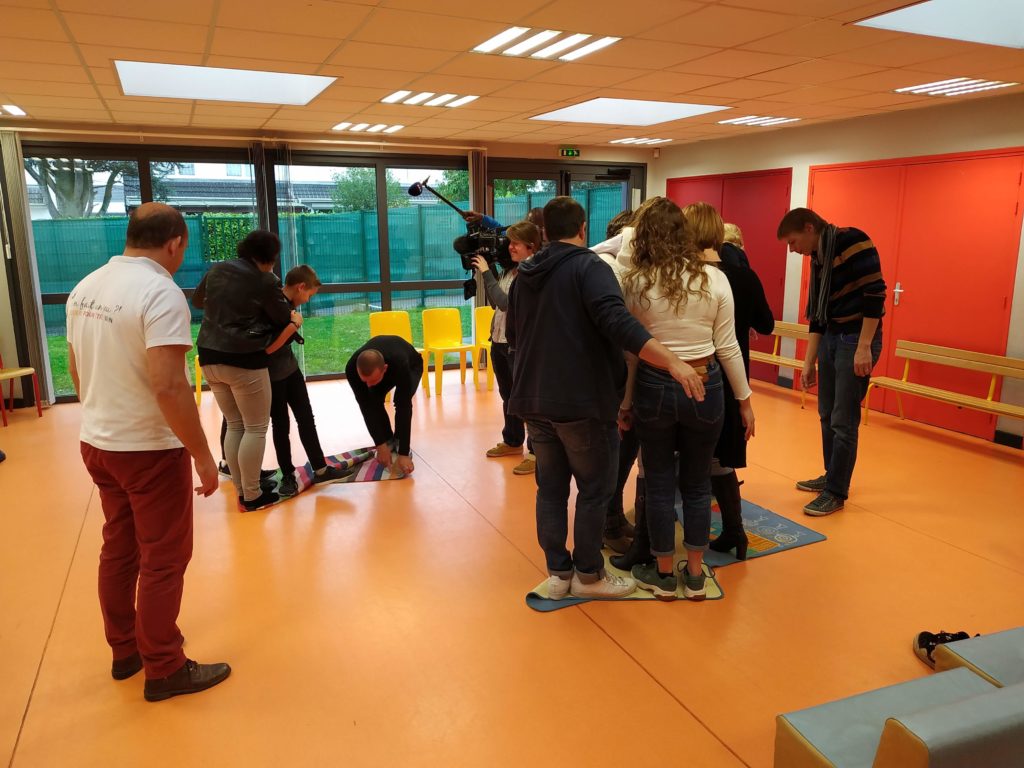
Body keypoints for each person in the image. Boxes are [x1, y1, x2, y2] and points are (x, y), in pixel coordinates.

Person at [66, 202, 230, 702]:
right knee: (163, 558)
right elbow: (169, 386)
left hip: (98, 442)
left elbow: (75, 369)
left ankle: (126, 652)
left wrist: (103, 417)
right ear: (175, 243)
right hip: (148, 451)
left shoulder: (86, 286)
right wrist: (202, 455)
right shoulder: (160, 292)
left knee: (119, 548)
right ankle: (165, 666)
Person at [507, 196, 708, 601]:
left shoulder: (525, 273)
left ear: (544, 232)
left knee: (550, 491)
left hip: (533, 400)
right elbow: (618, 323)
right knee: (595, 490)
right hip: (581, 402)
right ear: (583, 228)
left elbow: (514, 334)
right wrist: (673, 361)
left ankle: (558, 575)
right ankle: (588, 574)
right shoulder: (590, 268)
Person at [619, 197, 755, 601]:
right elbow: (727, 346)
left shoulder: (636, 282)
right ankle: (695, 575)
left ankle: (663, 574)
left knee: (659, 483)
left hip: (653, 385)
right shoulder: (715, 279)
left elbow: (633, 352)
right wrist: (745, 401)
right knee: (697, 484)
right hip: (705, 383)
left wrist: (625, 403)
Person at [777, 207, 886, 516]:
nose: (792, 250)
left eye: (793, 241)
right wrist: (808, 361)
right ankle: (831, 475)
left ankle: (836, 492)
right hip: (832, 337)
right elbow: (818, 315)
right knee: (826, 413)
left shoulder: (852, 241)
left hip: (855, 339)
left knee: (843, 419)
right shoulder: (819, 257)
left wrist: (864, 347)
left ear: (809, 228)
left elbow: (875, 294)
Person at [687, 204, 773, 560]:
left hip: (694, 372)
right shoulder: (743, 277)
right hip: (732, 375)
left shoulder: (683, 277)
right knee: (720, 457)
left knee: (684, 454)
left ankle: (669, 543)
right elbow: (766, 324)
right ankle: (735, 531)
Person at [194, 230, 294, 512]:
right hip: (244, 359)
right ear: (269, 257)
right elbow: (282, 316)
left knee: (235, 423)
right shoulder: (265, 279)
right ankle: (252, 496)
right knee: (256, 427)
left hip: (209, 355)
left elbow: (198, 301)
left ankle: (242, 489)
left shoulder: (217, 270)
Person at [267, 265, 353, 497]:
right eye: (309, 295)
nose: (307, 300)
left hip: (290, 370)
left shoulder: (289, 305)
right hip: (273, 376)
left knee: (306, 418)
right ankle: (287, 474)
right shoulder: (274, 305)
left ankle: (320, 469)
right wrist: (294, 325)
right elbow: (270, 346)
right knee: (280, 425)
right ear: (300, 287)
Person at [475, 221, 541, 476]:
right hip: (499, 340)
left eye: (516, 243)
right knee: (508, 396)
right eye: (509, 242)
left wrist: (485, 273)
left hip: (519, 344)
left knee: (526, 400)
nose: (510, 247)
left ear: (531, 246)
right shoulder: (509, 271)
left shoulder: (532, 273)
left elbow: (505, 303)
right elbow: (495, 303)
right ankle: (513, 441)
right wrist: (490, 271)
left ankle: (535, 452)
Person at [345, 335, 423, 476]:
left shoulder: (400, 363)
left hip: (412, 365)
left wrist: (404, 453)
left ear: (385, 369)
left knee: (401, 400)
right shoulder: (351, 369)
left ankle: (399, 443)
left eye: (372, 380)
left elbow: (405, 406)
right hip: (387, 365)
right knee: (372, 399)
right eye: (365, 381)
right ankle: (388, 441)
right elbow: (365, 406)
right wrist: (380, 444)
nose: (368, 385)